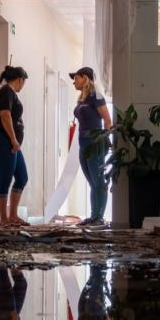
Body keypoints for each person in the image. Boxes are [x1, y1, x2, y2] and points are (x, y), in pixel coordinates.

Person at [70, 67, 113, 227]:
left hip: (95, 142)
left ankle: (99, 217)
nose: (74, 81)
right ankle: (94, 216)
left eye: (76, 78)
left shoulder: (96, 95)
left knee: (98, 181)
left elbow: (107, 120)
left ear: (85, 78)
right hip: (83, 143)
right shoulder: (83, 98)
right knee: (92, 181)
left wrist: (104, 140)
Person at [0, 66, 30, 227]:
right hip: (4, 140)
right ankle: (3, 219)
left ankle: (13, 215)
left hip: (12, 143)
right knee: (6, 178)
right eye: (24, 82)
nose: (23, 86)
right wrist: (14, 140)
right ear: (20, 79)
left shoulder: (10, 93)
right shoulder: (7, 91)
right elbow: (4, 115)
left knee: (22, 177)